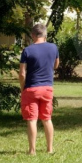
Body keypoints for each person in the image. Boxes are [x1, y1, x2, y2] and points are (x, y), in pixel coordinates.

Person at [19, 23, 59, 155]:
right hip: (47, 88)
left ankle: (32, 150)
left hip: (32, 88)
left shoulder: (27, 50)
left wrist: (22, 88)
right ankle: (50, 149)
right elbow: (56, 65)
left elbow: (22, 73)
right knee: (47, 118)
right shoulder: (53, 48)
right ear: (45, 34)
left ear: (32, 35)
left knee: (32, 119)